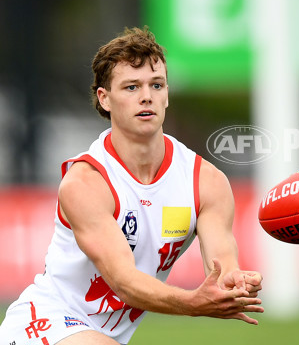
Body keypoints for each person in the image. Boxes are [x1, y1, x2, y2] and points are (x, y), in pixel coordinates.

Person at [0, 27, 264, 344]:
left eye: (156, 85)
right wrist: (193, 303)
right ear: (104, 98)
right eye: (131, 87)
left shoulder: (205, 181)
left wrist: (235, 282)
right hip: (46, 321)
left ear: (167, 94)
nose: (146, 96)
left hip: (106, 335)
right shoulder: (86, 182)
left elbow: (222, 264)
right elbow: (123, 282)